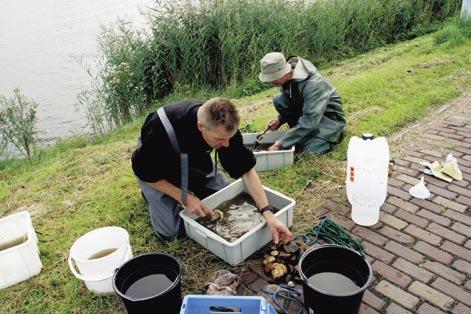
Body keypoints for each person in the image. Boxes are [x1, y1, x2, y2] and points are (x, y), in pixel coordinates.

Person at [131, 97, 292, 244]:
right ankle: (148, 193)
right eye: (220, 140)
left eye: (229, 138)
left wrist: (268, 213)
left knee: (223, 197)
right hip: (157, 166)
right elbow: (142, 169)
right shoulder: (160, 130)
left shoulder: (225, 129)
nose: (227, 145)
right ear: (201, 126)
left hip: (195, 159)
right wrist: (183, 196)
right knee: (172, 232)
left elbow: (246, 170)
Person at [258, 52, 346, 155]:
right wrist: (279, 120)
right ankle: (300, 134)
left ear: (285, 72)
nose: (271, 83)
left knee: (308, 152)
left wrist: (280, 143)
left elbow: (309, 121)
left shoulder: (313, 84)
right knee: (279, 100)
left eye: (273, 80)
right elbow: (292, 100)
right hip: (309, 115)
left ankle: (328, 138)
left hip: (327, 121)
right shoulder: (289, 77)